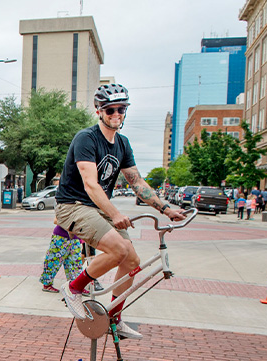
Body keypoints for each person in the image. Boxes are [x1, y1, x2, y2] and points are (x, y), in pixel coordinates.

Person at [54, 83, 184, 340]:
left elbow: (136, 182)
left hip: (97, 209)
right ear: (98, 110)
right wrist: (114, 214)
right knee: (119, 249)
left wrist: (166, 208)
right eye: (110, 109)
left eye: (121, 109)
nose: (116, 114)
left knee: (131, 260)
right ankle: (73, 288)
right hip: (73, 206)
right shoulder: (86, 138)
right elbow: (90, 183)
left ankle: (114, 317)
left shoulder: (122, 144)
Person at [39, 223, 84, 293]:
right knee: (53, 261)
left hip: (75, 239)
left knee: (76, 264)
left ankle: (75, 285)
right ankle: (47, 284)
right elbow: (56, 220)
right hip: (61, 237)